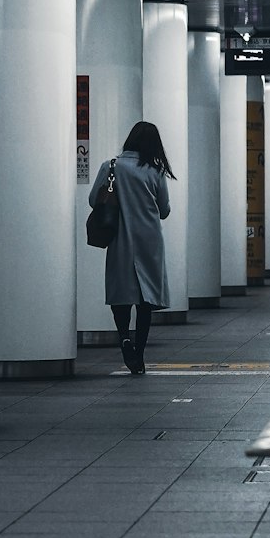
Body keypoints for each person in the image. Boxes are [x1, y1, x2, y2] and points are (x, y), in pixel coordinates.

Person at [89, 121, 174, 375]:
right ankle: (139, 353)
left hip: (120, 239)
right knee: (145, 300)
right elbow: (165, 210)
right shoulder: (155, 172)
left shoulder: (111, 166)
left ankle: (124, 337)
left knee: (122, 292)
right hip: (149, 240)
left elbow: (94, 200)